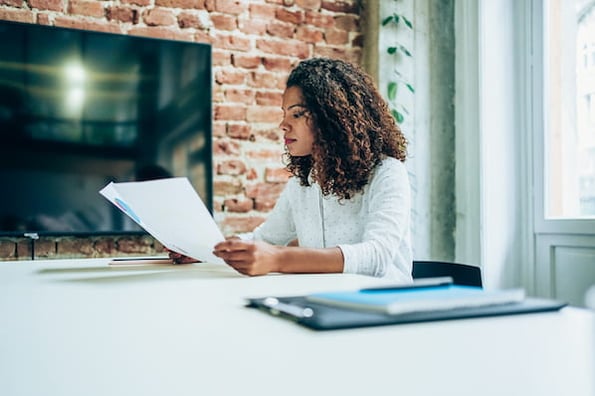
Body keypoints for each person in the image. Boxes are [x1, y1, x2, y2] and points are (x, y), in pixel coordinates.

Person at [170, 57, 412, 282]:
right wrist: (206, 249)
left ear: (333, 117)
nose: (283, 125)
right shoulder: (303, 183)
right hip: (326, 302)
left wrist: (278, 258)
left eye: (297, 114)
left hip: (386, 310)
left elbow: (377, 257)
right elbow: (263, 240)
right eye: (284, 114)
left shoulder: (387, 173)